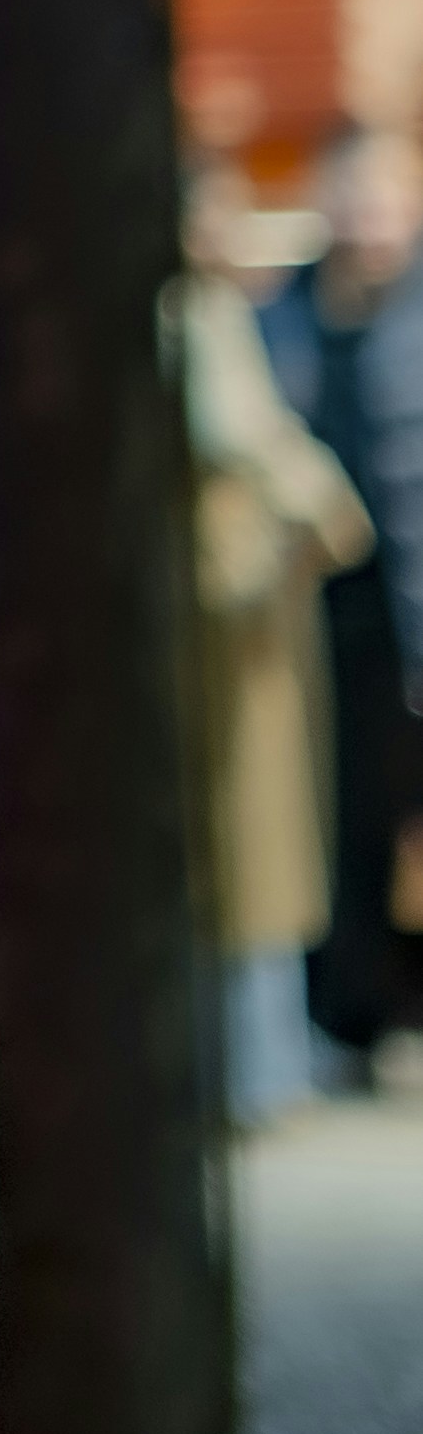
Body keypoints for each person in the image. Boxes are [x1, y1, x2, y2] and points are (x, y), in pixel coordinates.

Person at [185, 196, 374, 1127]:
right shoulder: (195, 313)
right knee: (245, 845)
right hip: (230, 599)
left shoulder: (213, 308)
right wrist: (328, 505)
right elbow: (243, 434)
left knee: (254, 847)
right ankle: (253, 1069)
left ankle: (259, 1062)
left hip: (246, 594)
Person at [262, 126, 423, 1077]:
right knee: (345, 822)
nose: (370, 221)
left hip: (413, 600)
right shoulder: (286, 311)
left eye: (388, 200)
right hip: (335, 614)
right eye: (355, 199)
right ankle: (349, 1019)